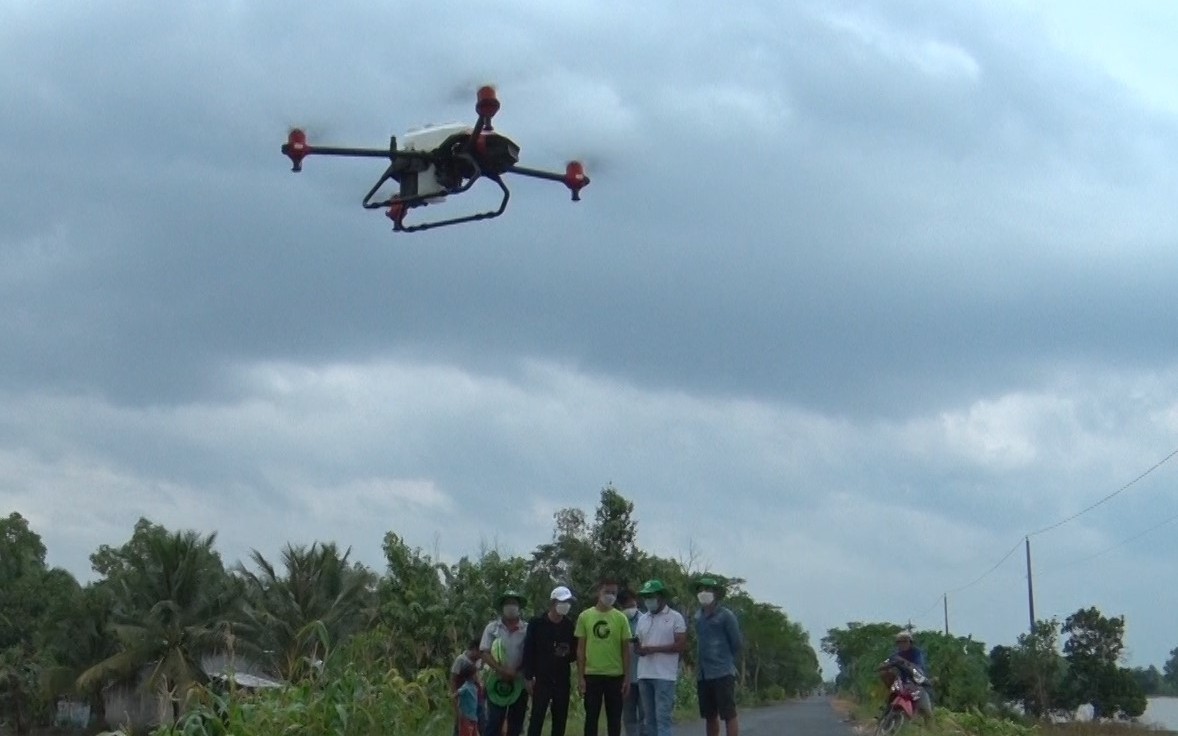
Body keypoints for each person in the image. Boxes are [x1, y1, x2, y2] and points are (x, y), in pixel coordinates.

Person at [575, 576, 632, 736]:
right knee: (591, 719)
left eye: (614, 593)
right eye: (607, 591)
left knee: (614, 720)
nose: (610, 596)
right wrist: (580, 677)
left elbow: (626, 650)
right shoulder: (585, 616)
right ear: (598, 592)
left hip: (615, 676)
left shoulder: (621, 618)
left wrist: (627, 678)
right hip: (592, 675)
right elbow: (580, 650)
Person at [523, 586, 579, 736]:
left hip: (561, 678)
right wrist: (528, 676)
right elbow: (528, 650)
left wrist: (565, 652)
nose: (566, 605)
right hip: (541, 679)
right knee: (537, 717)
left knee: (560, 719)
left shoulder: (568, 626)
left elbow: (574, 652)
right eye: (563, 601)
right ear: (553, 603)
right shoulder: (536, 624)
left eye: (568, 602)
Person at [634, 579, 686, 736]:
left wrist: (654, 649)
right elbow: (639, 643)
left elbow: (680, 645)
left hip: (664, 675)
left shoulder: (675, 617)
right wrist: (639, 649)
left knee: (662, 718)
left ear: (661, 597)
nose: (648, 600)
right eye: (646, 596)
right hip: (644, 673)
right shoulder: (642, 619)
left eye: (652, 596)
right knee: (649, 719)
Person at [692, 577, 742, 736]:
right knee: (709, 715)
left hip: (723, 672)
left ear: (716, 594)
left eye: (708, 590)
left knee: (728, 714)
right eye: (701, 590)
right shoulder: (697, 617)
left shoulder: (726, 616)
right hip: (703, 674)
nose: (703, 593)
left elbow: (736, 643)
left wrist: (726, 661)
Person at [481, 590, 530, 736]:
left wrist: (516, 671)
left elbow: (532, 653)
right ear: (502, 607)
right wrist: (502, 670)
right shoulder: (492, 628)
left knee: (516, 724)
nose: (511, 606)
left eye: (514, 603)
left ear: (519, 607)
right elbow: (484, 652)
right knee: (494, 721)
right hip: (496, 681)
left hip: (519, 681)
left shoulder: (527, 629)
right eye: (508, 603)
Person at [881, 631, 933, 725]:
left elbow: (919, 667)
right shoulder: (895, 655)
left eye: (905, 641)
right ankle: (884, 717)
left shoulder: (916, 653)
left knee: (926, 710)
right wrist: (883, 666)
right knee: (891, 697)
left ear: (910, 642)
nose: (902, 644)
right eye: (900, 642)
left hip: (917, 683)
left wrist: (905, 663)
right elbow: (886, 662)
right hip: (901, 683)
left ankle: (930, 730)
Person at [618, 590, 645, 736]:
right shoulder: (618, 620)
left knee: (645, 716)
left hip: (644, 675)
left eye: (633, 605)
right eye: (628, 606)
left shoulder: (646, 620)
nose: (632, 609)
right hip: (625, 676)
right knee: (628, 716)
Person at [452, 639, 487, 736]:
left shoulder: (478, 661)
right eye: (480, 652)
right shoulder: (461, 660)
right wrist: (455, 701)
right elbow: (453, 680)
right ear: (475, 649)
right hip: (465, 698)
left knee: (481, 722)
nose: (481, 656)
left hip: (476, 696)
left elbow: (478, 677)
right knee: (462, 725)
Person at [457, 661, 482, 736]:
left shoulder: (474, 686)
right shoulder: (466, 687)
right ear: (472, 676)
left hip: (473, 718)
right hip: (467, 718)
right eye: (477, 674)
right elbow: (457, 693)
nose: (478, 676)